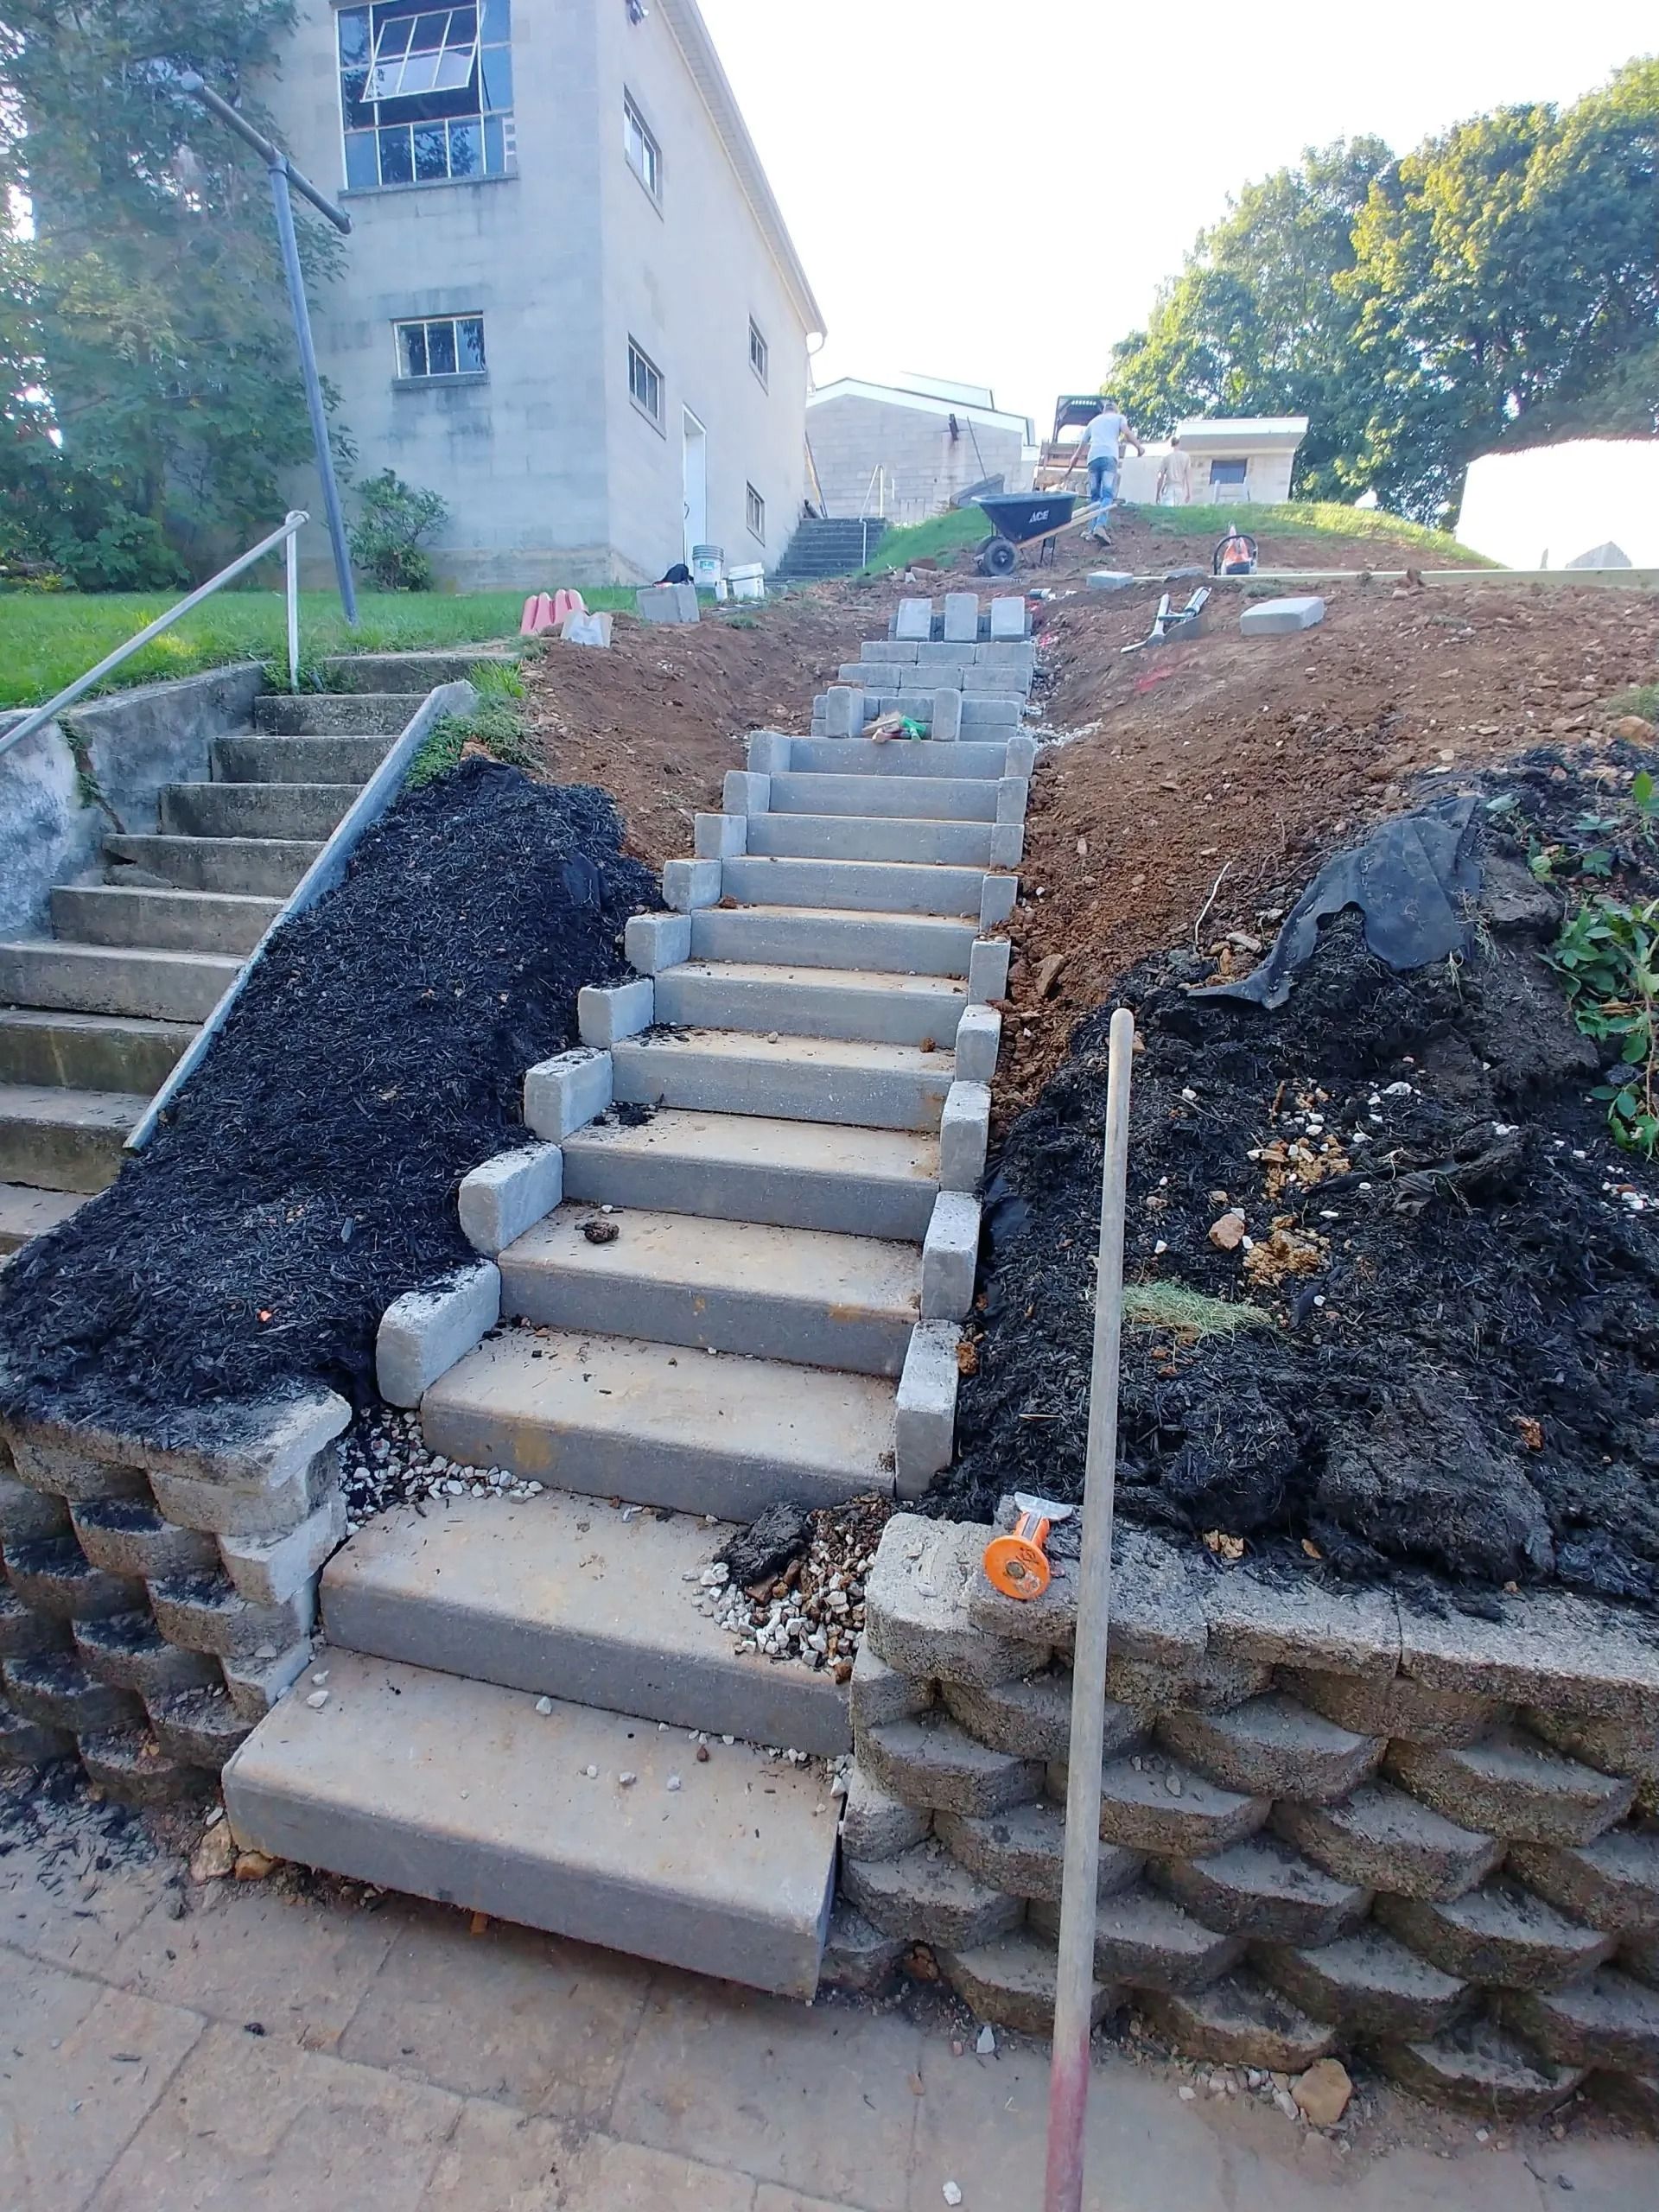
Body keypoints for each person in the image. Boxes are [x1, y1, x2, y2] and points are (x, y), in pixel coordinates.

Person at [1079, 396, 1141, 541]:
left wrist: (1071, 466)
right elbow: (1126, 433)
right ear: (1115, 410)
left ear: (1104, 411)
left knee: (1095, 496)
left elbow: (1080, 448)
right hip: (1108, 458)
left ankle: (1091, 530)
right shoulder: (1119, 418)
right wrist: (1139, 447)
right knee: (1107, 494)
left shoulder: (1093, 422)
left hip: (1093, 459)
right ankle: (1100, 527)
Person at [1156, 435, 1192, 506]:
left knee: (1167, 513)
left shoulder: (1166, 458)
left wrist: (1158, 493)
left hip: (1169, 487)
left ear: (1170, 444)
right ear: (1179, 444)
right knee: (1177, 513)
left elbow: (1161, 477)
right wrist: (1189, 493)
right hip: (1180, 489)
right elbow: (1188, 476)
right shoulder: (1186, 457)